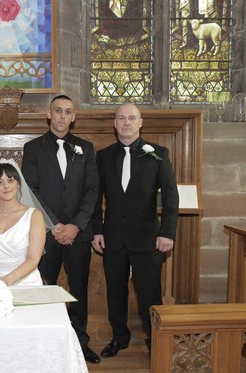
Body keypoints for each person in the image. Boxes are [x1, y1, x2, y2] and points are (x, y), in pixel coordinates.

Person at [91, 103, 179, 358]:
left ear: (141, 123)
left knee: (150, 292)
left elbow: (171, 198)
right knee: (115, 291)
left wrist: (167, 233)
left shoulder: (158, 153)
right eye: (121, 118)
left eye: (131, 118)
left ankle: (156, 339)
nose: (126, 123)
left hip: (148, 238)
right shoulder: (104, 156)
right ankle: (119, 337)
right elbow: (96, 197)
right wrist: (98, 230)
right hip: (113, 237)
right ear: (115, 123)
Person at [21, 95, 101, 364]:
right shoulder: (33, 149)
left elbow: (92, 191)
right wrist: (54, 225)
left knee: (78, 290)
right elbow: (30, 191)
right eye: (57, 111)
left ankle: (80, 343)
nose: (62, 116)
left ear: (73, 116)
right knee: (44, 288)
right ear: (49, 114)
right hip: (45, 233)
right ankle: (42, 344)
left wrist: (76, 226)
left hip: (78, 234)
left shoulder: (86, 149)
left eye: (67, 112)